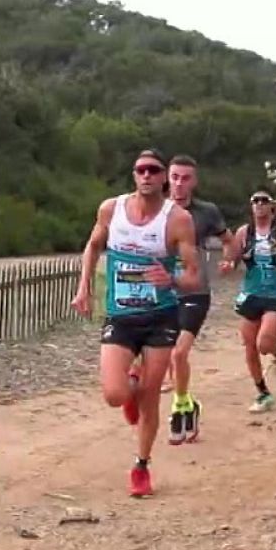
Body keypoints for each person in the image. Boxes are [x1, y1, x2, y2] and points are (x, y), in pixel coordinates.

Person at [71, 149, 200, 498]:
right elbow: (93, 245)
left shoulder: (178, 220)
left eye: (154, 170)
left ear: (163, 178)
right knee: (114, 395)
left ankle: (141, 465)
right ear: (134, 175)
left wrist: (169, 279)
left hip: (161, 317)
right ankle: (129, 387)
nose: (147, 175)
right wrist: (84, 286)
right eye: (140, 170)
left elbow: (194, 277)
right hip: (122, 315)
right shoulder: (111, 210)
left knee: (150, 398)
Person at [160, 155, 229, 445]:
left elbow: (229, 240)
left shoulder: (206, 212)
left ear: (194, 181)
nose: (179, 183)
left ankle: (178, 408)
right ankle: (189, 403)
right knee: (167, 356)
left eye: (185, 177)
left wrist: (230, 259)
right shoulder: (157, 210)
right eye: (175, 176)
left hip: (195, 293)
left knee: (178, 354)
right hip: (164, 293)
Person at [220, 189, 276, 413]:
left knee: (263, 344)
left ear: (272, 206)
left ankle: (275, 344)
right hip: (251, 292)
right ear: (251, 206)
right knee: (249, 346)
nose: (260, 204)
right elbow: (234, 258)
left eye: (264, 201)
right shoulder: (245, 232)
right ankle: (263, 393)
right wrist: (228, 265)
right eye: (255, 201)